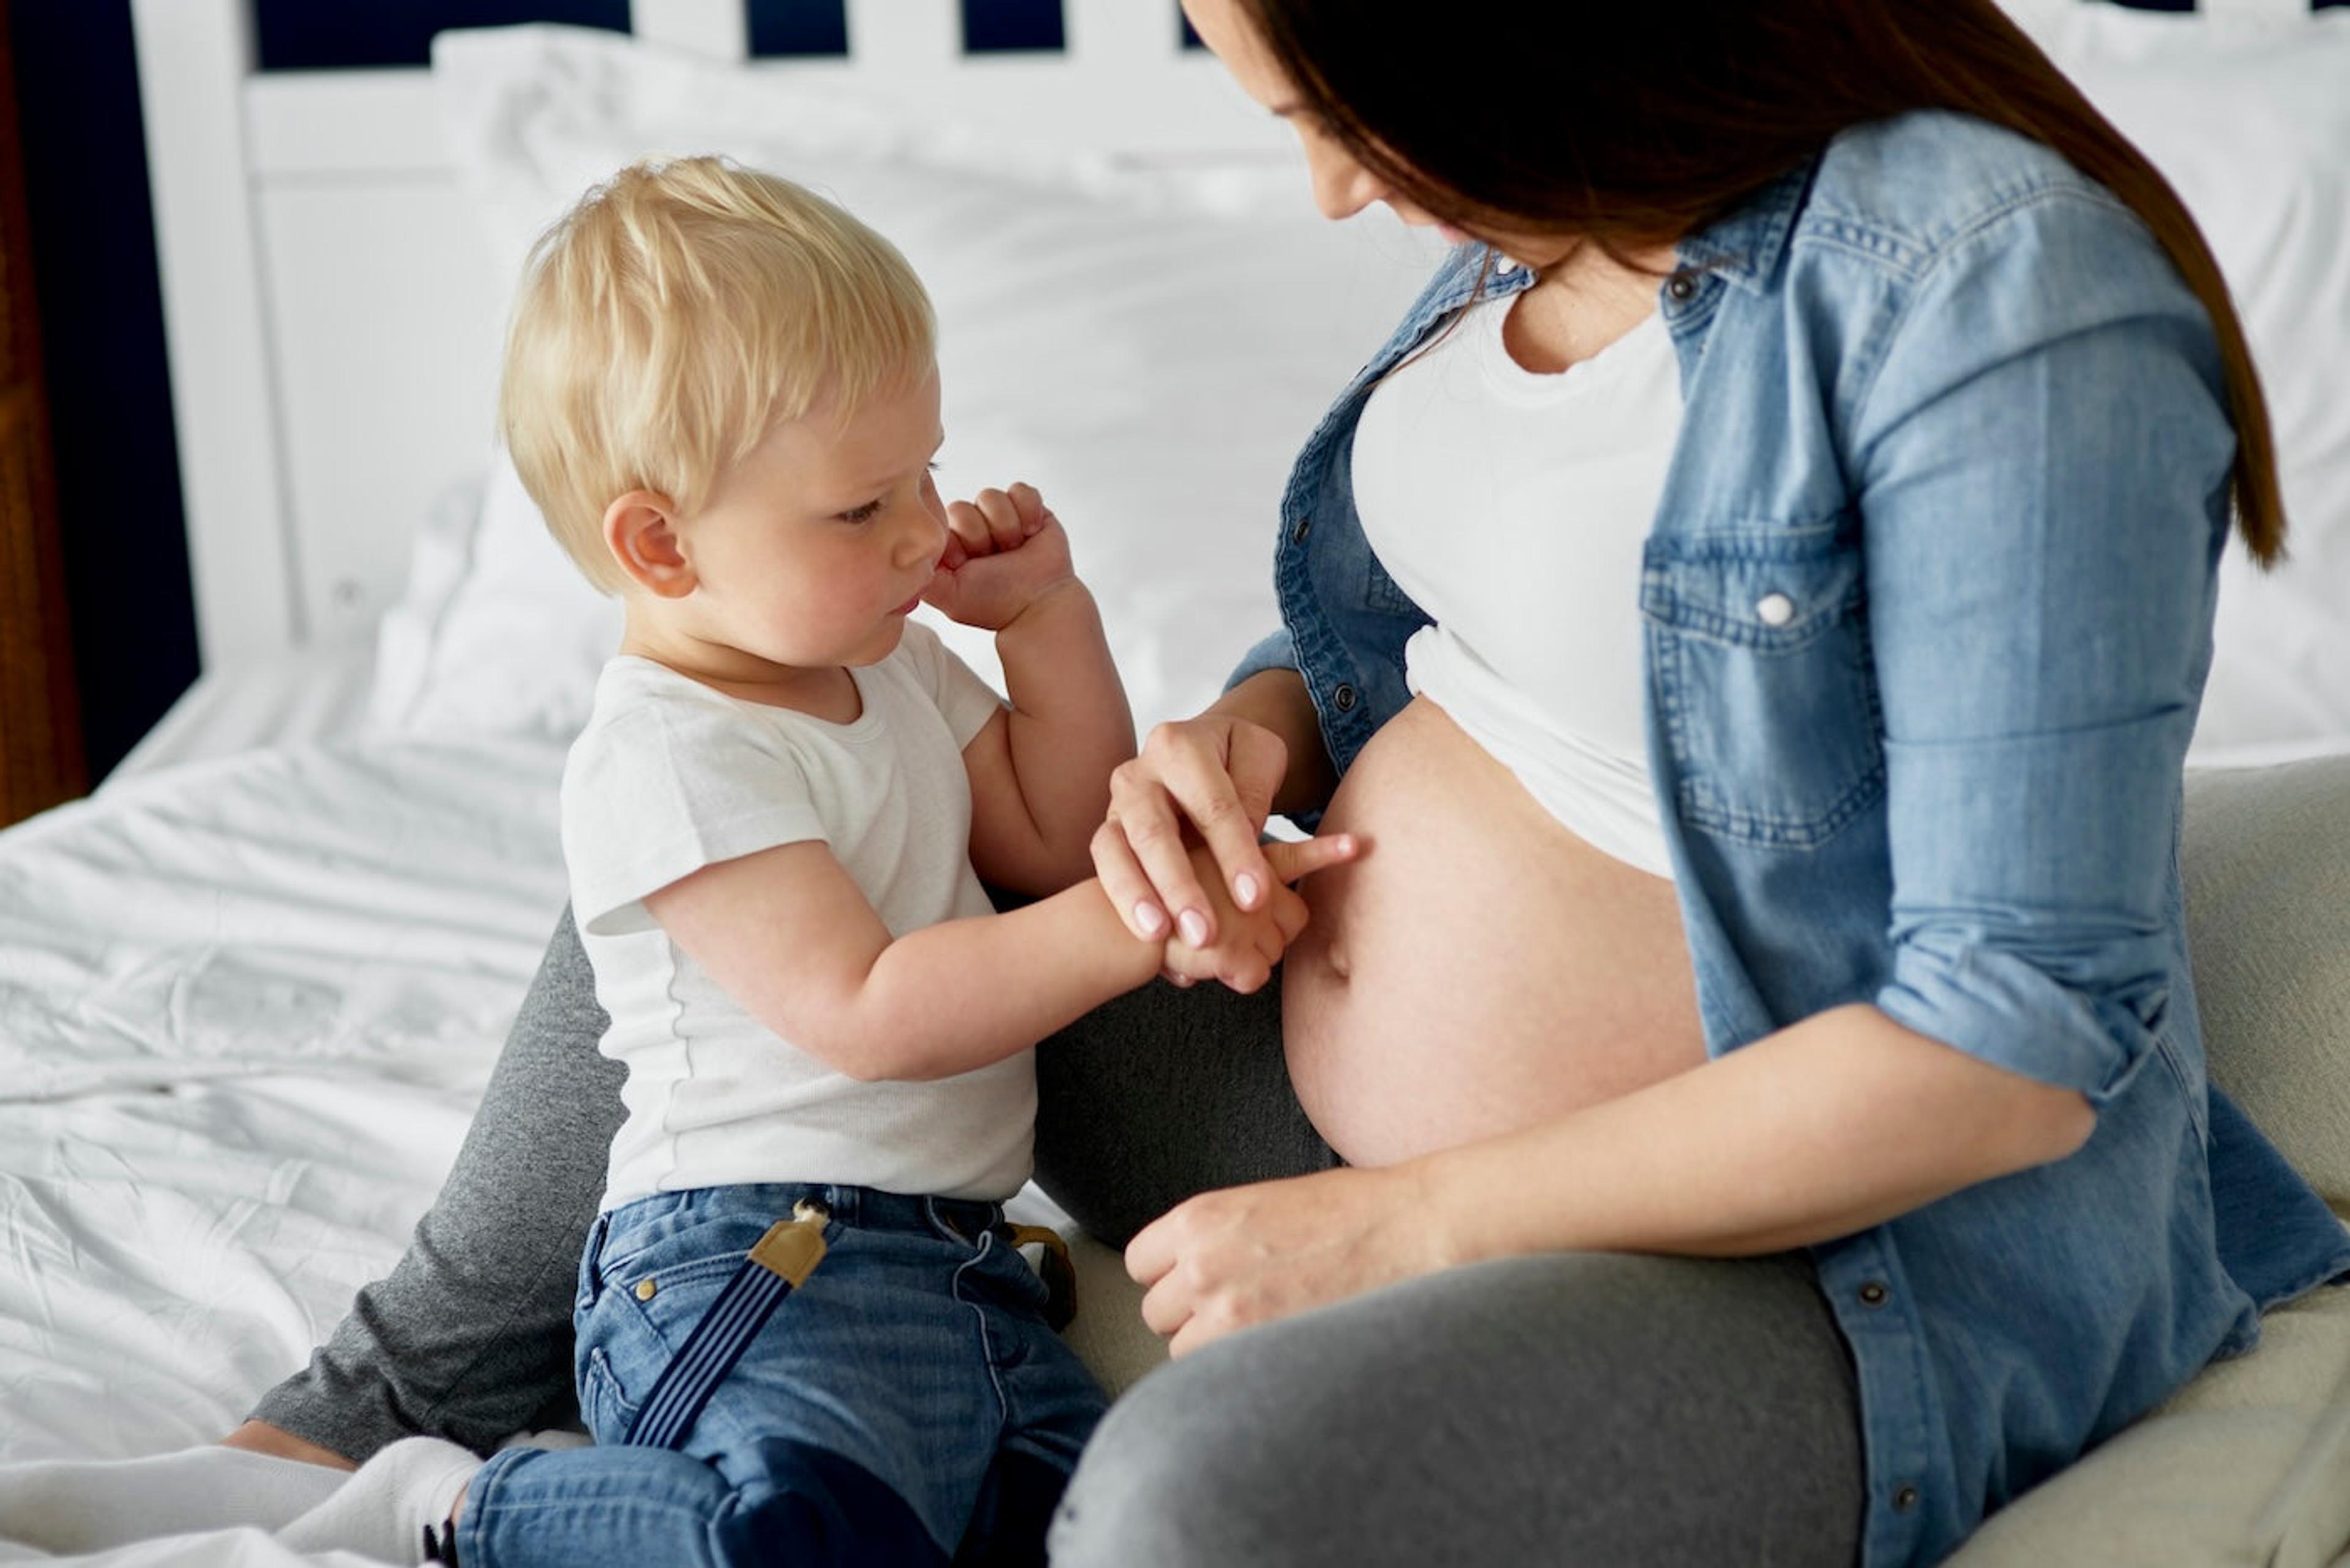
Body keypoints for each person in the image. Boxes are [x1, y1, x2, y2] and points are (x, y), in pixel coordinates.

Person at [226, 2, 2350, 1564]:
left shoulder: (2000, 290)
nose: (1333, 184)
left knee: (1188, 1511)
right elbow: (1454, 640)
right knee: (766, 754)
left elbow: (2004, 1050)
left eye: (1331, 105)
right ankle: (395, 1405)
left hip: (1816, 1270)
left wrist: (1398, 1226)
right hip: (1282, 1075)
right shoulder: (1551, 224)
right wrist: (1240, 749)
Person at [250, 157, 1344, 1567]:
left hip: (963, 1267)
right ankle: (474, 1510)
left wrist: (1046, 621)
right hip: (750, 1263)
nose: (921, 532)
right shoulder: (667, 755)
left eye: (928, 476)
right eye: (860, 507)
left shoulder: (883, 672)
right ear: (658, 544)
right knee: (788, 1539)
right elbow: (875, 1007)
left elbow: (1052, 830)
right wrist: (1143, 923)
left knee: (1078, 1533)